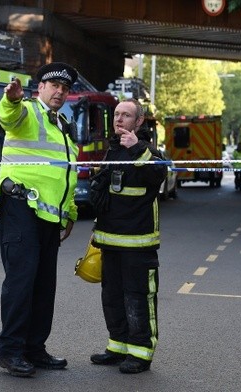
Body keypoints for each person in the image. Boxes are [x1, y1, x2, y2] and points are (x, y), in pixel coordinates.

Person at [0, 62, 79, 377]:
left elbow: (67, 173)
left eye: (65, 88)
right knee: (21, 280)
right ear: (39, 88)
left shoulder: (64, 126)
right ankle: (10, 350)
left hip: (49, 216)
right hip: (20, 207)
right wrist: (11, 99)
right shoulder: (26, 111)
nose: (60, 91)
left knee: (44, 285)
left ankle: (34, 348)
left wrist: (70, 211)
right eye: (54, 85)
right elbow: (8, 116)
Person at [89, 98, 167, 374]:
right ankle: (118, 345)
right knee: (112, 297)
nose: (119, 119)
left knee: (138, 297)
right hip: (110, 240)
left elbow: (159, 174)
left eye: (126, 115)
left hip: (138, 243)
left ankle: (141, 352)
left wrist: (136, 148)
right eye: (117, 114)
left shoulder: (146, 151)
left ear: (139, 121)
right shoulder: (112, 150)